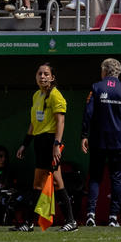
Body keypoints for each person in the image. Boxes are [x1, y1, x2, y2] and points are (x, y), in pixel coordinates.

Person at [13, 62, 77, 232]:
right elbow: (34, 124)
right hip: (39, 141)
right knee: (38, 184)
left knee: (56, 181)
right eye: (40, 74)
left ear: (52, 77)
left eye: (46, 74)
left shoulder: (56, 95)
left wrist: (57, 144)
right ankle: (29, 223)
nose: (42, 77)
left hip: (51, 141)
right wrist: (25, 144)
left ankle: (71, 221)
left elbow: (60, 121)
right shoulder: (36, 96)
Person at [81, 58, 121, 227]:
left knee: (95, 178)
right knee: (117, 178)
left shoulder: (96, 87)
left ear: (104, 71)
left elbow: (88, 114)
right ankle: (113, 217)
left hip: (98, 140)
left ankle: (90, 214)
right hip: (119, 141)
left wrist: (84, 135)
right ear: (118, 72)